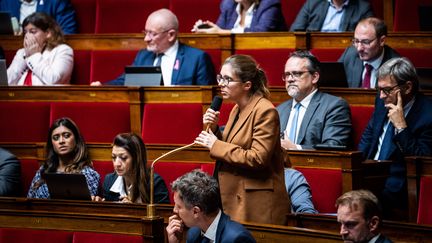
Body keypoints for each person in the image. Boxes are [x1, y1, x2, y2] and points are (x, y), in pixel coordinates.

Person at [194, 54, 290, 225]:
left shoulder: (265, 111)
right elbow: (232, 145)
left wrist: (215, 144)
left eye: (228, 79)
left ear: (247, 85)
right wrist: (215, 130)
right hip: (235, 196)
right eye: (220, 77)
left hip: (255, 202)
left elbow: (258, 158)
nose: (221, 84)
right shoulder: (236, 109)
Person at [358, 57, 432, 219]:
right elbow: (368, 138)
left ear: (407, 87)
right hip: (369, 176)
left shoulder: (428, 114)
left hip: (399, 186)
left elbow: (422, 162)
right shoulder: (382, 101)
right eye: (379, 89)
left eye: (387, 90)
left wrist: (401, 127)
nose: (382, 96)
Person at [91, 9, 215, 86]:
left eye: (152, 34)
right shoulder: (143, 56)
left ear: (171, 35)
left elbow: (206, 96)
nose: (146, 39)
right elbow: (126, 81)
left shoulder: (197, 59)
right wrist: (103, 86)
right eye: (146, 33)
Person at [276, 50, 352, 150]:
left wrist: (296, 148)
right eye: (287, 74)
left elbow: (333, 147)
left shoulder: (334, 106)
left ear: (314, 77)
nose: (290, 79)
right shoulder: (279, 110)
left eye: (296, 73)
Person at [166, 170, 256, 243]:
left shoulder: (237, 238)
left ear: (196, 211)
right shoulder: (193, 233)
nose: (175, 210)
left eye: (179, 206)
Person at [27, 117, 100, 199]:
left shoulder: (88, 173)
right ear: (52, 144)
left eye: (66, 136)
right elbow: (29, 201)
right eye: (56, 137)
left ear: (76, 139)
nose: (61, 141)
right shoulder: (43, 170)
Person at [93, 133, 170, 204]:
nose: (116, 164)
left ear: (136, 158)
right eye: (113, 157)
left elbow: (164, 215)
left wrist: (134, 210)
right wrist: (100, 205)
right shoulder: (109, 181)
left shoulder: (155, 183)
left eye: (123, 158)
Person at [6, 12, 74, 85]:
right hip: (20, 95)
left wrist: (34, 55)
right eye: (25, 32)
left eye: (33, 32)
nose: (27, 36)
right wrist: (25, 56)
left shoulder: (63, 50)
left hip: (47, 96)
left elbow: (54, 80)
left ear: (48, 33)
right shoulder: (21, 52)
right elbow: (6, 82)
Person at [338, 17, 400, 88]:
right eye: (356, 41)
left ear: (382, 41)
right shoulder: (350, 54)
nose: (359, 48)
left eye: (366, 42)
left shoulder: (396, 66)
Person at [192, 0, 287, 34]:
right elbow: (219, 30)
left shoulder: (269, 4)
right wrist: (206, 29)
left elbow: (260, 33)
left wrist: (222, 32)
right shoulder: (228, 4)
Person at [290, 0, 373, 32]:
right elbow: (294, 33)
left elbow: (369, 36)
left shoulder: (363, 8)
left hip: (347, 54)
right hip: (312, 54)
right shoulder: (312, 3)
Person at [0, 0, 77, 34]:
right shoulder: (5, 2)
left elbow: (68, 34)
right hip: (13, 56)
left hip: (48, 57)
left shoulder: (57, 1)